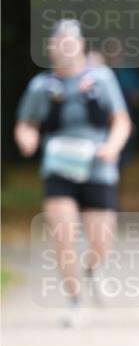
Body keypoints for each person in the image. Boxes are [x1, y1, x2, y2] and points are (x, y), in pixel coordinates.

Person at [14, 19, 131, 326]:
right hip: (59, 167)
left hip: (97, 167)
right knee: (64, 235)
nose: (65, 47)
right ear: (51, 48)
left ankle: (94, 266)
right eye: (58, 41)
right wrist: (26, 137)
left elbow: (121, 120)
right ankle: (75, 299)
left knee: (101, 239)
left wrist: (112, 147)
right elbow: (26, 122)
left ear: (81, 45)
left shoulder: (100, 79)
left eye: (71, 41)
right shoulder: (41, 86)